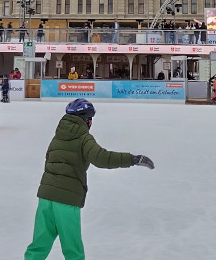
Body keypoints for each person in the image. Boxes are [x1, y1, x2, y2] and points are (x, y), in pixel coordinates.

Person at [23, 99, 153, 260]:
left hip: (45, 197)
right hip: (66, 200)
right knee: (73, 249)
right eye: (90, 119)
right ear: (86, 120)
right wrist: (132, 159)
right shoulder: (84, 137)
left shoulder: (57, 137)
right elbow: (102, 158)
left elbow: (49, 158)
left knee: (39, 245)